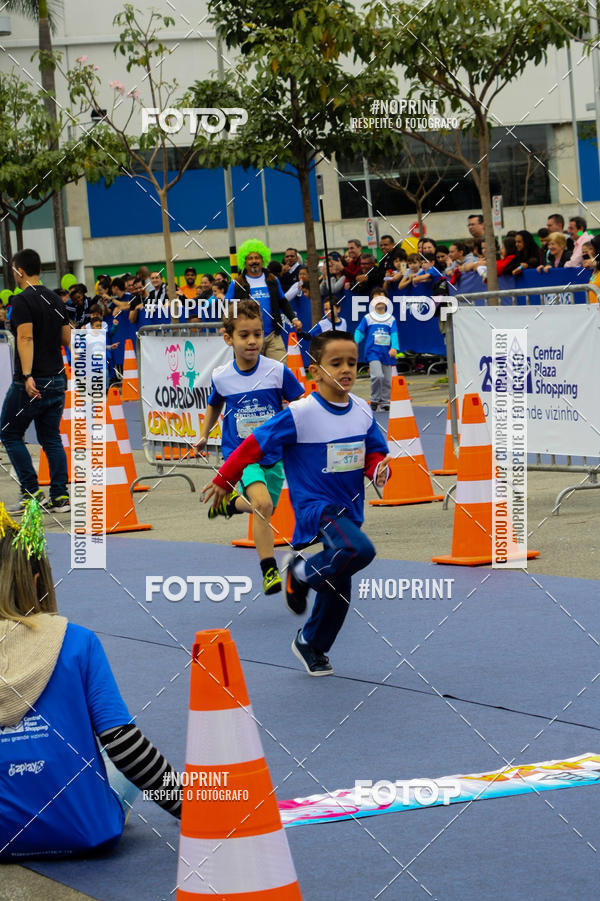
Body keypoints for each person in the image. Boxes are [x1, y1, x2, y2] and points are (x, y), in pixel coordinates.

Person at [0, 500, 181, 860]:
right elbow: (125, 745)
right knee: (116, 761)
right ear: (38, 582)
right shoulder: (76, 641)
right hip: (85, 829)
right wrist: (191, 808)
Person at [202, 331, 390, 676]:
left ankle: (311, 643)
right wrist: (225, 479)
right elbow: (251, 446)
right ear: (314, 372)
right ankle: (300, 572)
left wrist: (378, 468)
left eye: (352, 362)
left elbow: (374, 449)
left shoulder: (362, 409)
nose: (346, 369)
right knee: (359, 551)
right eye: (336, 363)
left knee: (339, 587)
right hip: (317, 507)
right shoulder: (301, 414)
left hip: (348, 508)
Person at [193, 300, 304, 595]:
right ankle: (269, 571)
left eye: (257, 333)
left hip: (273, 453)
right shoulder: (222, 376)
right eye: (244, 335)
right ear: (228, 338)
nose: (252, 341)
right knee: (263, 505)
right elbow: (214, 404)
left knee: (265, 508)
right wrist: (204, 434)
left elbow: (301, 405)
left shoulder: (277, 372)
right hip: (241, 454)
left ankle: (230, 505)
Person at [1, 250, 71, 515]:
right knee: (51, 437)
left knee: (8, 431)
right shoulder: (54, 298)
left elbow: (25, 338)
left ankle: (31, 491)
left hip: (32, 380)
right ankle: (60, 495)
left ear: (19, 270)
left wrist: (28, 374)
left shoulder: (21, 301)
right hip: (56, 377)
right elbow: (66, 337)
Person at [226, 239, 302, 360]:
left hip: (273, 335)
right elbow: (228, 307)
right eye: (250, 258)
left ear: (263, 260)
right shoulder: (237, 283)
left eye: (257, 258)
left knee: (280, 368)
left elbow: (282, 301)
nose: (254, 261)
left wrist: (294, 318)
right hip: (249, 337)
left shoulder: (272, 279)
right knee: (253, 372)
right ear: (244, 261)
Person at [354, 288, 399, 412]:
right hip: (372, 352)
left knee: (386, 380)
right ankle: (374, 399)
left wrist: (394, 347)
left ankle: (385, 401)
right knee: (377, 376)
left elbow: (394, 334)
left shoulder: (391, 319)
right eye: (376, 297)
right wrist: (355, 341)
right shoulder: (368, 318)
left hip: (387, 354)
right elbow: (360, 331)